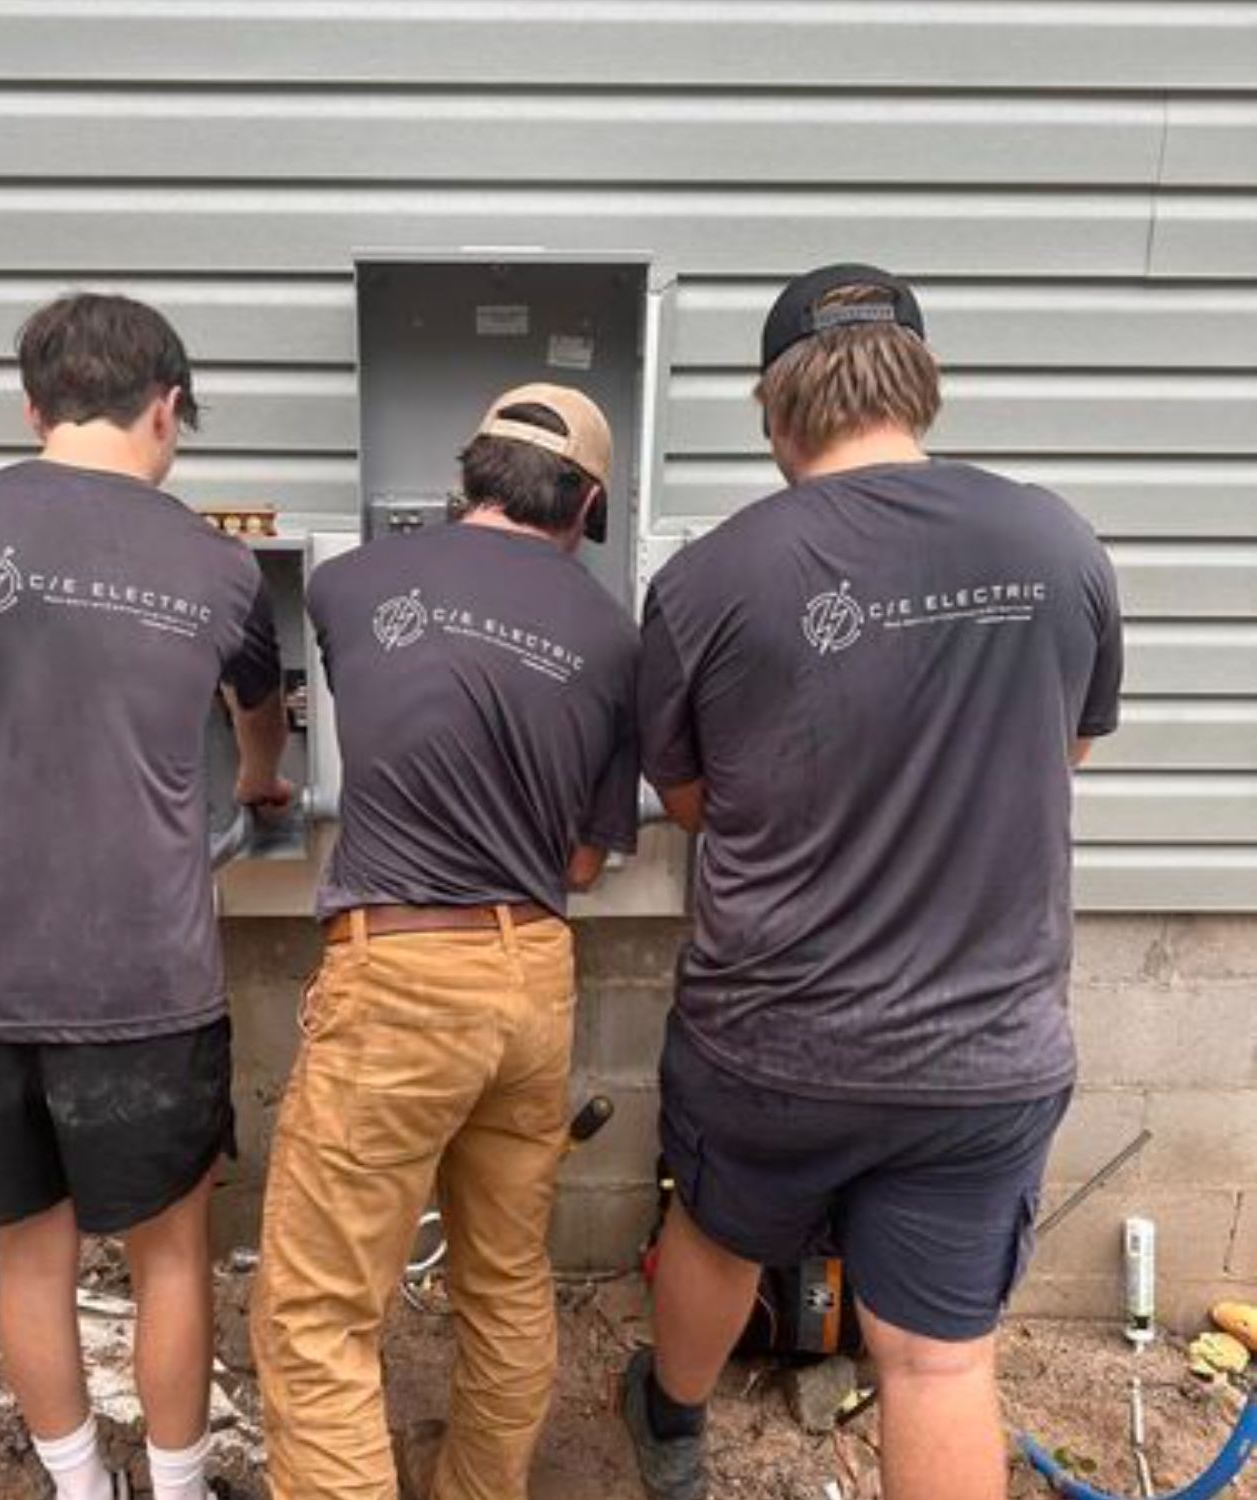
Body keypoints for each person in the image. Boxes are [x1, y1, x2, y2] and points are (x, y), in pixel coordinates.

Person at [622, 264, 1123, 1500]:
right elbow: (1065, 750)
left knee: (718, 1238)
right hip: (982, 1048)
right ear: (922, 385)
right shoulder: (1056, 544)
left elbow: (688, 802)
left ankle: (671, 1429)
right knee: (939, 1360)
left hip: (770, 1044)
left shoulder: (709, 581)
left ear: (775, 409)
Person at [0, 292, 290, 1500]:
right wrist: (260, 781)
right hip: (152, 986)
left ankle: (82, 1488)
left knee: (30, 1257)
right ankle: (179, 1490)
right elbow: (261, 716)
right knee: (171, 1256)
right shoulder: (221, 565)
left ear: (34, 408)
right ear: (167, 408)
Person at [252, 384, 641, 1500]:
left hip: (400, 972)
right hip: (534, 977)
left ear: (468, 474)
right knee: (506, 1277)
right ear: (588, 507)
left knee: (321, 1307)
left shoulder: (351, 583)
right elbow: (581, 864)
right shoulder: (616, 644)